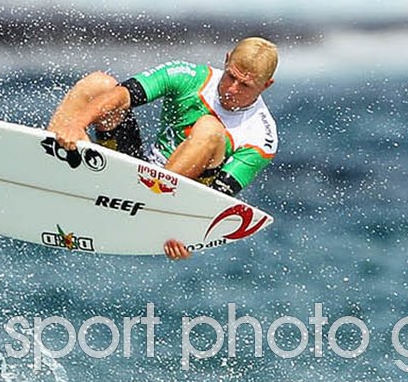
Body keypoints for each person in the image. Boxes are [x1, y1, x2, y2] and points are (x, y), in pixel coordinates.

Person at [47, 37, 279, 259]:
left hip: (171, 204)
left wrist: (184, 234)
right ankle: (51, 163)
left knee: (210, 128)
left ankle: (150, 208)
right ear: (226, 60)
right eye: (230, 76)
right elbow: (121, 96)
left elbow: (217, 199)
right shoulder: (189, 77)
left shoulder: (260, 138)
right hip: (138, 173)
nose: (231, 89)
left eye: (245, 85)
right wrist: (76, 125)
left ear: (267, 86)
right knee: (99, 84)